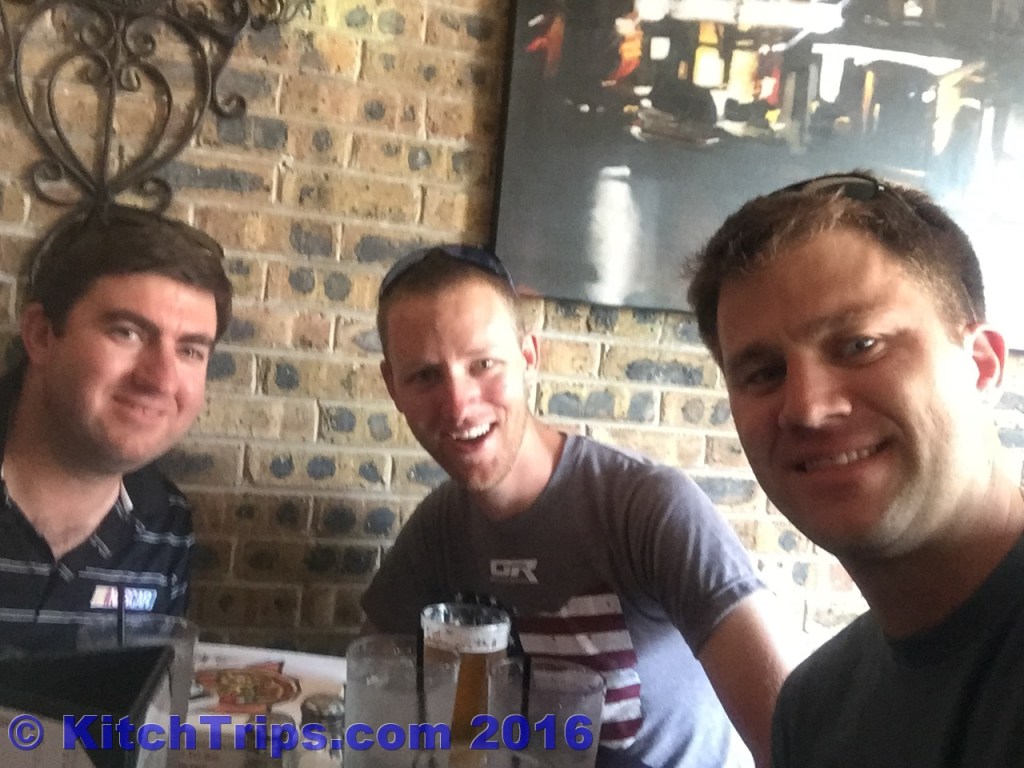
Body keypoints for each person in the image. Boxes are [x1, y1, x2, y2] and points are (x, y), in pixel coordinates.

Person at [363, 244, 790, 768]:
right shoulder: (439, 527)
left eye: (483, 364)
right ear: (393, 387)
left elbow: (794, 736)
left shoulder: (648, 506)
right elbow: (372, 675)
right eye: (426, 376)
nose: (458, 404)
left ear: (528, 357)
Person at [688, 171, 1024, 766]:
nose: (807, 408)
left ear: (981, 364)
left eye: (860, 345)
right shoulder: (813, 706)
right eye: (764, 373)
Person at [0, 204, 232, 653]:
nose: (160, 380)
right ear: (41, 335)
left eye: (190, 351)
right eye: (127, 332)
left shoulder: (165, 525)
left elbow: (142, 690)